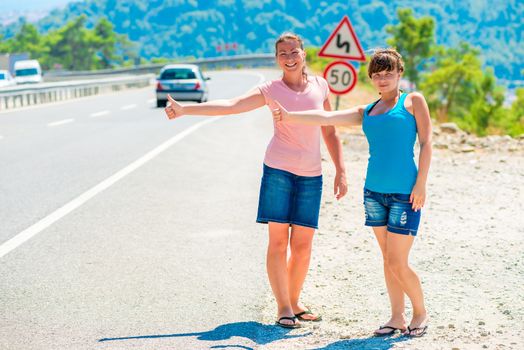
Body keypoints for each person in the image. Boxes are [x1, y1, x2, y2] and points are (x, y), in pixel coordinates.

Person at [164, 33, 348, 328]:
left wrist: (341, 169)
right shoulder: (270, 89)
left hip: (312, 174)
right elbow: (231, 105)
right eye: (282, 54)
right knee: (278, 242)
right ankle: (283, 307)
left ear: (304, 54)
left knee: (303, 245)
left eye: (294, 52)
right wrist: (186, 109)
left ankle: (296, 301)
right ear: (277, 59)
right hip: (279, 171)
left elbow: (329, 130)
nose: (289, 58)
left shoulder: (321, 85)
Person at [271, 48, 432, 337]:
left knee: (397, 260)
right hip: (373, 194)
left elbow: (427, 143)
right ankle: (397, 317)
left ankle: (420, 312)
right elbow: (325, 115)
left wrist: (421, 184)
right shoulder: (367, 112)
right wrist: (290, 116)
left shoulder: (413, 102)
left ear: (399, 75)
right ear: (372, 78)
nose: (383, 79)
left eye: (389, 74)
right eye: (378, 75)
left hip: (405, 195)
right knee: (387, 260)